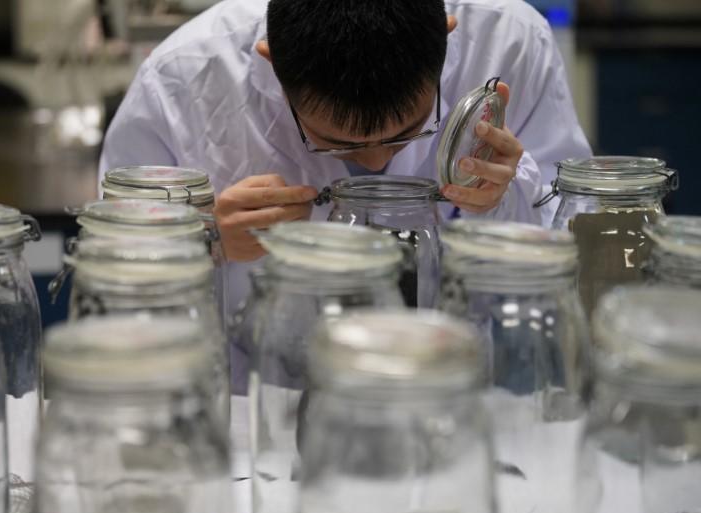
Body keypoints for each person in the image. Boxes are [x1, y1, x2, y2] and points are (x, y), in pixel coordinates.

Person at [100, 0, 592, 391]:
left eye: (409, 132)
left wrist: (511, 190)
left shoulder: (511, 42)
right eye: (337, 142)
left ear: (446, 34)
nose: (375, 163)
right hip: (264, 399)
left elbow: (575, 231)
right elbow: (116, 271)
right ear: (272, 60)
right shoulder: (182, 83)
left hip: (464, 389)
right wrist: (204, 240)